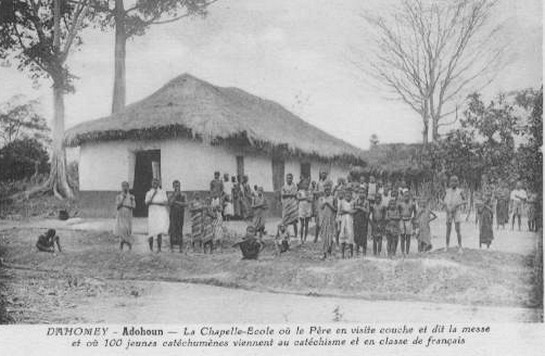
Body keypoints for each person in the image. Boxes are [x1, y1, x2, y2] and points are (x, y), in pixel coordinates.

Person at [145, 178, 169, 252]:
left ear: (159, 184)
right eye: (153, 182)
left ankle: (159, 248)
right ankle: (151, 249)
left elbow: (165, 203)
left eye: (156, 182)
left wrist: (154, 203)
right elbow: (147, 203)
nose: (155, 184)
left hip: (160, 213)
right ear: (151, 183)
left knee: (159, 231)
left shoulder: (162, 192)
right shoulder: (149, 193)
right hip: (152, 213)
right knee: (151, 230)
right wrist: (153, 195)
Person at [443, 175, 466, 252]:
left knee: (457, 229)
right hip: (449, 211)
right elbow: (443, 201)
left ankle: (460, 246)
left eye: (455, 181)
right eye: (452, 181)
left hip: (457, 211)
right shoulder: (447, 191)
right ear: (450, 182)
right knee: (448, 229)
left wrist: (458, 205)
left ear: (457, 182)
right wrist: (447, 208)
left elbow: (465, 201)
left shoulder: (460, 191)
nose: (453, 183)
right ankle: (446, 246)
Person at [114, 181, 136, 251]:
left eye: (126, 186)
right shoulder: (118, 196)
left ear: (128, 187)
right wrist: (123, 198)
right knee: (122, 229)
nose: (125, 188)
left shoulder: (131, 197)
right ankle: (122, 245)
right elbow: (117, 206)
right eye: (123, 186)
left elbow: (134, 206)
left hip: (128, 214)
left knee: (127, 230)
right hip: (121, 214)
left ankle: (129, 245)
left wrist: (131, 202)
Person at [168, 180, 187, 253]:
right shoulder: (170, 194)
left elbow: (185, 204)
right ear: (173, 187)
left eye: (178, 186)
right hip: (173, 214)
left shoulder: (183, 195)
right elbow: (170, 203)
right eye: (175, 186)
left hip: (180, 214)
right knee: (172, 230)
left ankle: (180, 248)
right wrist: (175, 196)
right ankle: (172, 247)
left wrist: (176, 202)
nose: (177, 187)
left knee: (180, 230)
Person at [319, 183, 337, 259]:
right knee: (324, 236)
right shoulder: (321, 198)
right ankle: (323, 252)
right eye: (325, 190)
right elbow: (321, 207)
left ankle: (329, 251)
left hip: (331, 219)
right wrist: (324, 203)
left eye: (328, 190)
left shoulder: (333, 198)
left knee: (330, 235)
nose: (327, 192)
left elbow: (335, 209)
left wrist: (328, 204)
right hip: (324, 219)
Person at [314, 170, 333, 242]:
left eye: (324, 173)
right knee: (319, 219)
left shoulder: (329, 182)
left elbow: (331, 190)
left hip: (327, 200)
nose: (323, 175)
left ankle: (325, 236)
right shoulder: (318, 182)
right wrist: (320, 192)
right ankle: (316, 237)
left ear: (326, 174)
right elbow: (314, 191)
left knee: (326, 218)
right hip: (320, 201)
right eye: (322, 173)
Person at [398, 192, 417, 256]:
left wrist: (413, 218)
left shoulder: (412, 204)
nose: (406, 197)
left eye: (407, 196)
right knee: (402, 236)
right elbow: (398, 211)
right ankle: (402, 251)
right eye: (405, 196)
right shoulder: (401, 204)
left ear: (409, 197)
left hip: (409, 219)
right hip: (402, 220)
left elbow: (415, 212)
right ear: (403, 197)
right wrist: (399, 217)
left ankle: (407, 252)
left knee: (408, 236)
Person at [338, 190, 356, 258]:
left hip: (350, 221)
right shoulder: (342, 202)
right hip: (343, 221)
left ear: (351, 196)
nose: (348, 197)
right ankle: (342, 253)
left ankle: (350, 254)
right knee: (342, 235)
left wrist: (347, 211)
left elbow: (354, 211)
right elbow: (339, 212)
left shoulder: (353, 202)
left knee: (350, 235)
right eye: (346, 196)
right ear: (344, 196)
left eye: (349, 195)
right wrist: (346, 212)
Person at [353, 189, 370, 256]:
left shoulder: (366, 202)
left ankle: (364, 252)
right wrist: (359, 208)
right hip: (357, 220)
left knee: (363, 236)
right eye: (360, 192)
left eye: (363, 192)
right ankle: (357, 251)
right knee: (357, 235)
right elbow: (353, 210)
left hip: (364, 220)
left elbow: (367, 211)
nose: (361, 194)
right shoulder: (355, 201)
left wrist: (359, 208)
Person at [297, 178, 312, 243]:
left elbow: (311, 199)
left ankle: (305, 238)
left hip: (308, 209)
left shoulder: (310, 191)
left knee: (306, 224)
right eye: (305, 184)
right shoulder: (300, 191)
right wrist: (306, 198)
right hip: (302, 208)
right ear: (302, 184)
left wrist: (306, 198)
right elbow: (298, 198)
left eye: (307, 184)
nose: (306, 185)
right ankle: (300, 238)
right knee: (302, 224)